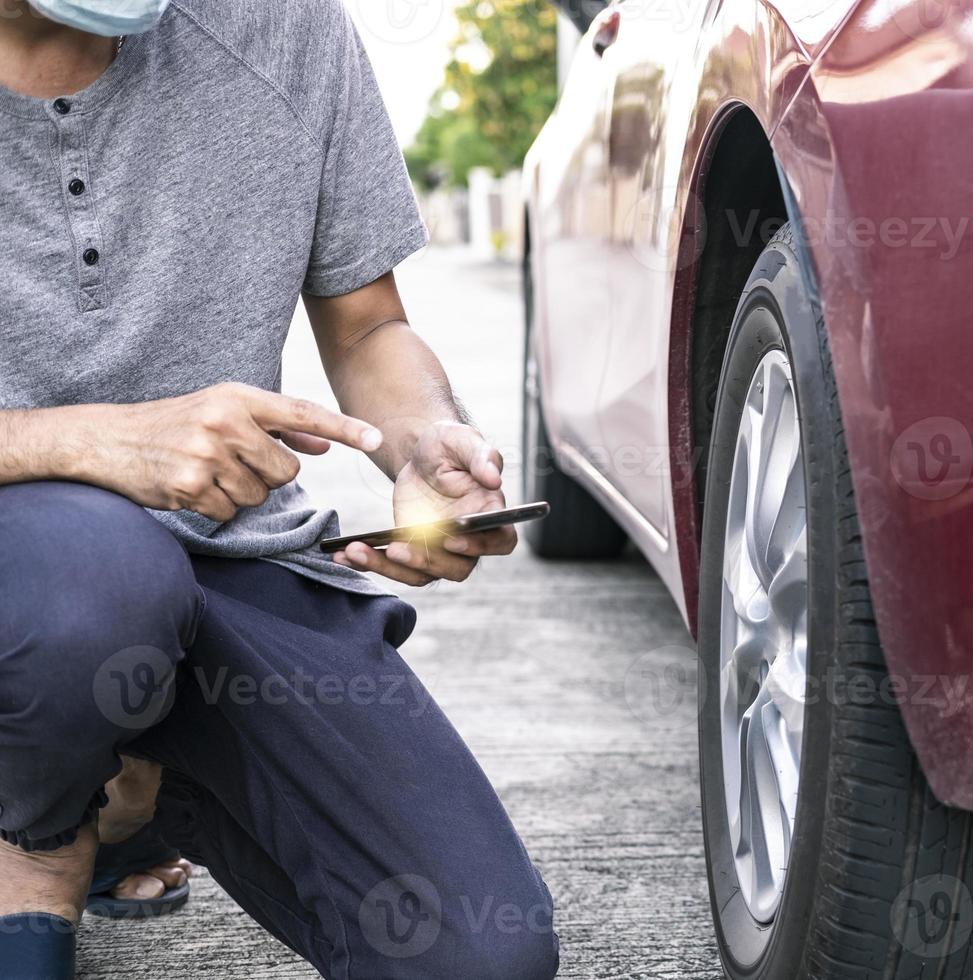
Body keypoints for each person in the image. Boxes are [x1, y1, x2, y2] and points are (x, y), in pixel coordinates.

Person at [0, 0, 559, 977]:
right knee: (90, 587)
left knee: (476, 953)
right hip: (41, 589)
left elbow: (367, 326)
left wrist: (424, 445)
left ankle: (133, 788)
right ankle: (36, 827)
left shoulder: (285, 26)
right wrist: (93, 441)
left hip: (229, 558)